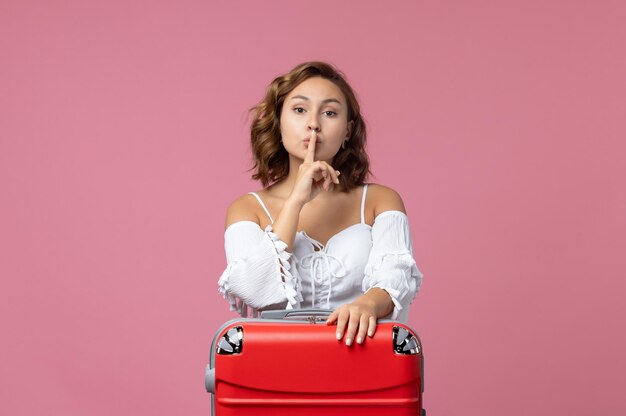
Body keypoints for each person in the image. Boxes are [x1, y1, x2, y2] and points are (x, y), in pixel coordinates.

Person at [218, 61, 423, 346]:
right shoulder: (246, 209)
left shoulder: (380, 201)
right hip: (275, 370)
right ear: (279, 123)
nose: (313, 123)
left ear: (348, 130)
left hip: (365, 366)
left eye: (329, 112)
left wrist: (367, 305)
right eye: (299, 110)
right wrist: (296, 201)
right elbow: (253, 289)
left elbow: (397, 281)